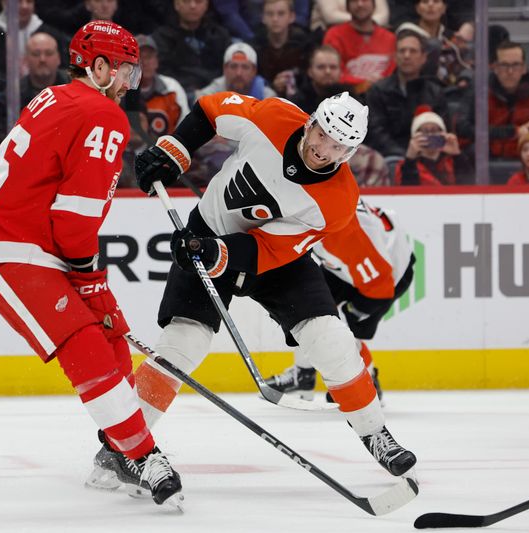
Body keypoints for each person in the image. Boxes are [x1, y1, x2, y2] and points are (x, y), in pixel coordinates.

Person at [87, 91, 418, 489]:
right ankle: (122, 447)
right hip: (207, 231)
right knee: (182, 344)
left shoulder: (338, 201)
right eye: (322, 135)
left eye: (337, 147)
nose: (323, 151)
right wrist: (174, 150)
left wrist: (217, 253)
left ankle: (375, 433)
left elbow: (270, 249)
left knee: (330, 338)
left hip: (276, 259)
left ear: (349, 152)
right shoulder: (275, 116)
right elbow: (211, 110)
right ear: (311, 122)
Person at [0, 21, 183, 508]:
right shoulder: (104, 114)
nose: (130, 84)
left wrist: (91, 282)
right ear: (98, 67)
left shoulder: (57, 96)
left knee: (111, 331)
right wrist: (89, 278)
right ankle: (143, 454)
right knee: (86, 343)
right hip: (10, 247)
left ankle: (119, 450)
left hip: (39, 244)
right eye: (125, 71)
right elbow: (74, 216)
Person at [265, 199, 415, 404]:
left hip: (385, 279)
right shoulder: (317, 211)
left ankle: (368, 381)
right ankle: (303, 374)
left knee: (339, 329)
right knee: (305, 305)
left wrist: (351, 311)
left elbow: (381, 287)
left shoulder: (347, 239)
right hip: (350, 264)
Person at [365, 30, 448, 158]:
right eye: (402, 51)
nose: (407, 56)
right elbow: (377, 134)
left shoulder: (435, 92)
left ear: (423, 58)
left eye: (413, 51)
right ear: (395, 57)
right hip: (391, 156)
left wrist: (421, 152)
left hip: (428, 155)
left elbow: (442, 132)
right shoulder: (378, 91)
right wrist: (406, 155)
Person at [0, 0, 68, 98]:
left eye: (29, 1)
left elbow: (63, 66)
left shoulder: (49, 34)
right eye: (18, 2)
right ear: (4, 3)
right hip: (7, 92)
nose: (25, 6)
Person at [0, 32, 68, 146]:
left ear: (58, 58)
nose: (42, 59)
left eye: (49, 53)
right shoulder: (12, 95)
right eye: (36, 54)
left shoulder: (74, 89)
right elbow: (1, 138)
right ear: (25, 60)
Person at [489, 40, 529, 159]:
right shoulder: (482, 89)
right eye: (504, 65)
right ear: (495, 67)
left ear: (524, 68)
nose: (510, 71)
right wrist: (513, 132)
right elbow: (466, 128)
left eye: (515, 65)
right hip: (486, 158)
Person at [151, 0, 231, 95]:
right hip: (178, 92)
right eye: (186, 1)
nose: (193, 6)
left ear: (206, 5)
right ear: (176, 4)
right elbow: (163, 72)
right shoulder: (162, 37)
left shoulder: (220, 35)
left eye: (198, 1)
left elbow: (227, 68)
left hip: (218, 91)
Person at [322, 0, 396, 94]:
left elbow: (394, 72)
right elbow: (332, 72)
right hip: (347, 96)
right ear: (347, 6)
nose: (360, 4)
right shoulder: (334, 35)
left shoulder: (391, 38)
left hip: (386, 96)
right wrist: (363, 83)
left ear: (374, 4)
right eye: (354, 1)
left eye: (365, 0)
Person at [250, 0, 311, 99]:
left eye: (281, 13)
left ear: (291, 17)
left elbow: (308, 77)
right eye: (270, 14)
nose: (275, 19)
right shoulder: (254, 46)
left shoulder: (304, 44)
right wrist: (272, 85)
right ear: (263, 17)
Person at [394, 105, 460, 185]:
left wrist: (457, 155)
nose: (430, 135)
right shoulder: (403, 166)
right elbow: (407, 193)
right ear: (414, 136)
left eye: (434, 130)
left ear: (443, 133)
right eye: (424, 131)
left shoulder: (451, 161)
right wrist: (410, 160)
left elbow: (468, 185)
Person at [194, 42, 276, 100]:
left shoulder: (267, 98)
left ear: (254, 71)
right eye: (233, 66)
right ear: (224, 69)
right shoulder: (209, 96)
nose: (238, 73)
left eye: (245, 67)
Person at [290, 45, 353, 114]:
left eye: (333, 67)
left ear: (340, 72)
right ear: (310, 72)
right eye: (321, 67)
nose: (328, 71)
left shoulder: (350, 100)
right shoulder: (296, 105)